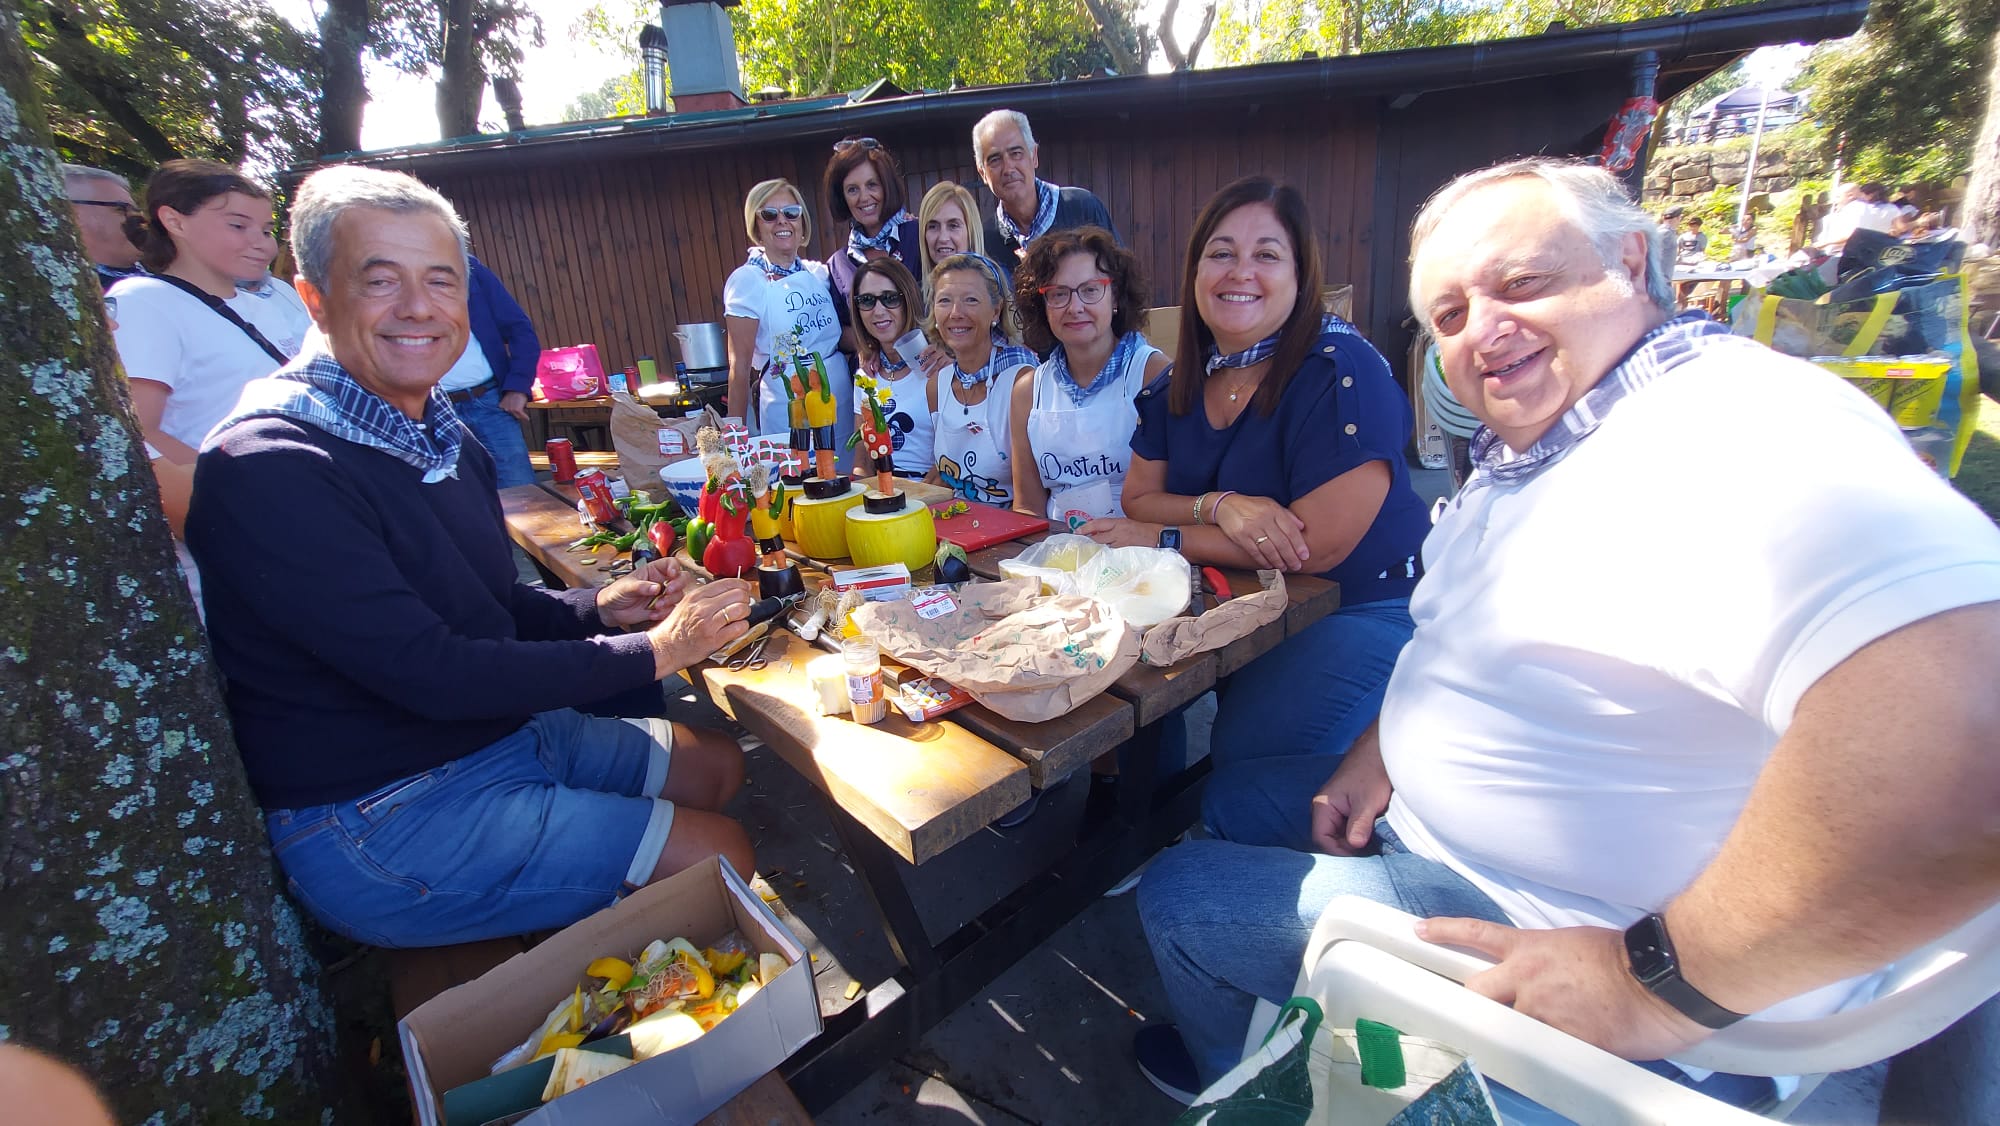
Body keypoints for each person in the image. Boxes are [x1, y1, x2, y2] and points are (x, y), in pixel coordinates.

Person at [1133, 157, 2000, 1114]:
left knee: (1175, 893)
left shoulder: (1724, 427)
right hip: (1433, 823)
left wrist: (1654, 983)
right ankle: (1289, 1024)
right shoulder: (1551, 436)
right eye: (1451, 314)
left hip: (1562, 926)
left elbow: (1972, 736)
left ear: (1631, 260)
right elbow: (1453, 638)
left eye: (1522, 283)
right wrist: (1383, 751)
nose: (1484, 330)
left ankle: (1264, 1086)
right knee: (1239, 793)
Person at [185, 165, 759, 949]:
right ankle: (603, 975)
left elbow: (492, 607)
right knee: (722, 853)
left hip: (491, 732)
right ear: (313, 295)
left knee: (717, 768)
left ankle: (614, 904)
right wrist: (656, 650)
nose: (418, 308)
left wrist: (600, 606)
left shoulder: (441, 431)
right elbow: (436, 671)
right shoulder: (270, 463)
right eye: (380, 281)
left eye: (441, 282)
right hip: (380, 810)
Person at [1081, 175, 1429, 834]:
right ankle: (1135, 832)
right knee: (1128, 679)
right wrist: (1221, 506)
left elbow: (1312, 546)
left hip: (1358, 608)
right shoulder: (1181, 382)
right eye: (1221, 253)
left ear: (1301, 274)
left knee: (1241, 766)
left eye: (1267, 254)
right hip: (1239, 603)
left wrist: (1163, 537)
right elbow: (1138, 495)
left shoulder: (1341, 371)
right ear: (1195, 273)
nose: (1240, 271)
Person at [110, 159, 311, 540]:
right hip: (248, 523)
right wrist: (239, 493)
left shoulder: (267, 303)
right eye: (238, 225)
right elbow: (139, 431)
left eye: (266, 229)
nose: (262, 242)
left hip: (304, 500)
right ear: (174, 221)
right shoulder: (145, 302)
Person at [1007, 225, 1169, 528]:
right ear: (1042, 306)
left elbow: (1174, 496)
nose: (1075, 307)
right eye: (1058, 294)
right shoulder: (1027, 392)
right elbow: (1028, 507)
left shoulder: (1154, 374)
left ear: (1115, 296)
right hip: (1060, 555)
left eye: (1090, 290)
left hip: (1140, 556)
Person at [723, 178, 852, 466]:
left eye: (791, 213)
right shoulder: (747, 281)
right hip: (788, 405)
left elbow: (834, 335)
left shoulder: (818, 274)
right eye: (769, 214)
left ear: (802, 221)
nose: (782, 221)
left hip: (837, 396)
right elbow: (739, 365)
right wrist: (734, 440)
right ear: (756, 225)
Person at [927, 253, 1037, 506]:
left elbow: (1032, 501)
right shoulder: (937, 385)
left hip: (1011, 533)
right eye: (944, 300)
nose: (956, 313)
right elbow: (942, 474)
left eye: (971, 300)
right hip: (955, 528)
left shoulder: (1021, 381)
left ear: (996, 310)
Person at [435, 254, 541, 487]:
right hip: (433, 411)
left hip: (490, 403)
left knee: (521, 492)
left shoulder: (469, 268)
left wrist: (517, 387)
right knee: (453, 498)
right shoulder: (398, 278)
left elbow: (520, 330)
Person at [972, 109, 1119, 271]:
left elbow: (1122, 281)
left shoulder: (1082, 208)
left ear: (1034, 156)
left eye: (1016, 153)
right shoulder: (986, 243)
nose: (1008, 168)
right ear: (982, 173)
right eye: (995, 159)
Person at [847, 257, 935, 480]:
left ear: (908, 301)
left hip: (932, 495)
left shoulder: (937, 366)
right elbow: (862, 463)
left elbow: (950, 462)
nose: (878, 311)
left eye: (889, 298)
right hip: (880, 496)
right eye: (867, 301)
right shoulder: (865, 378)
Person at [823, 136, 922, 311]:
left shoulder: (919, 235)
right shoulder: (838, 265)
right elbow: (841, 329)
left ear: (887, 186)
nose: (864, 197)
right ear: (842, 197)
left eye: (872, 185)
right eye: (852, 189)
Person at [61, 163, 144, 290]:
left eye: (137, 210)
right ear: (74, 214)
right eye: (121, 209)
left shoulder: (167, 279)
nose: (140, 219)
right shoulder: (68, 290)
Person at [918, 180, 985, 280]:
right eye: (933, 226)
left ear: (971, 231)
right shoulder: (915, 294)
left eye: (953, 226)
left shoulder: (996, 290)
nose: (943, 238)